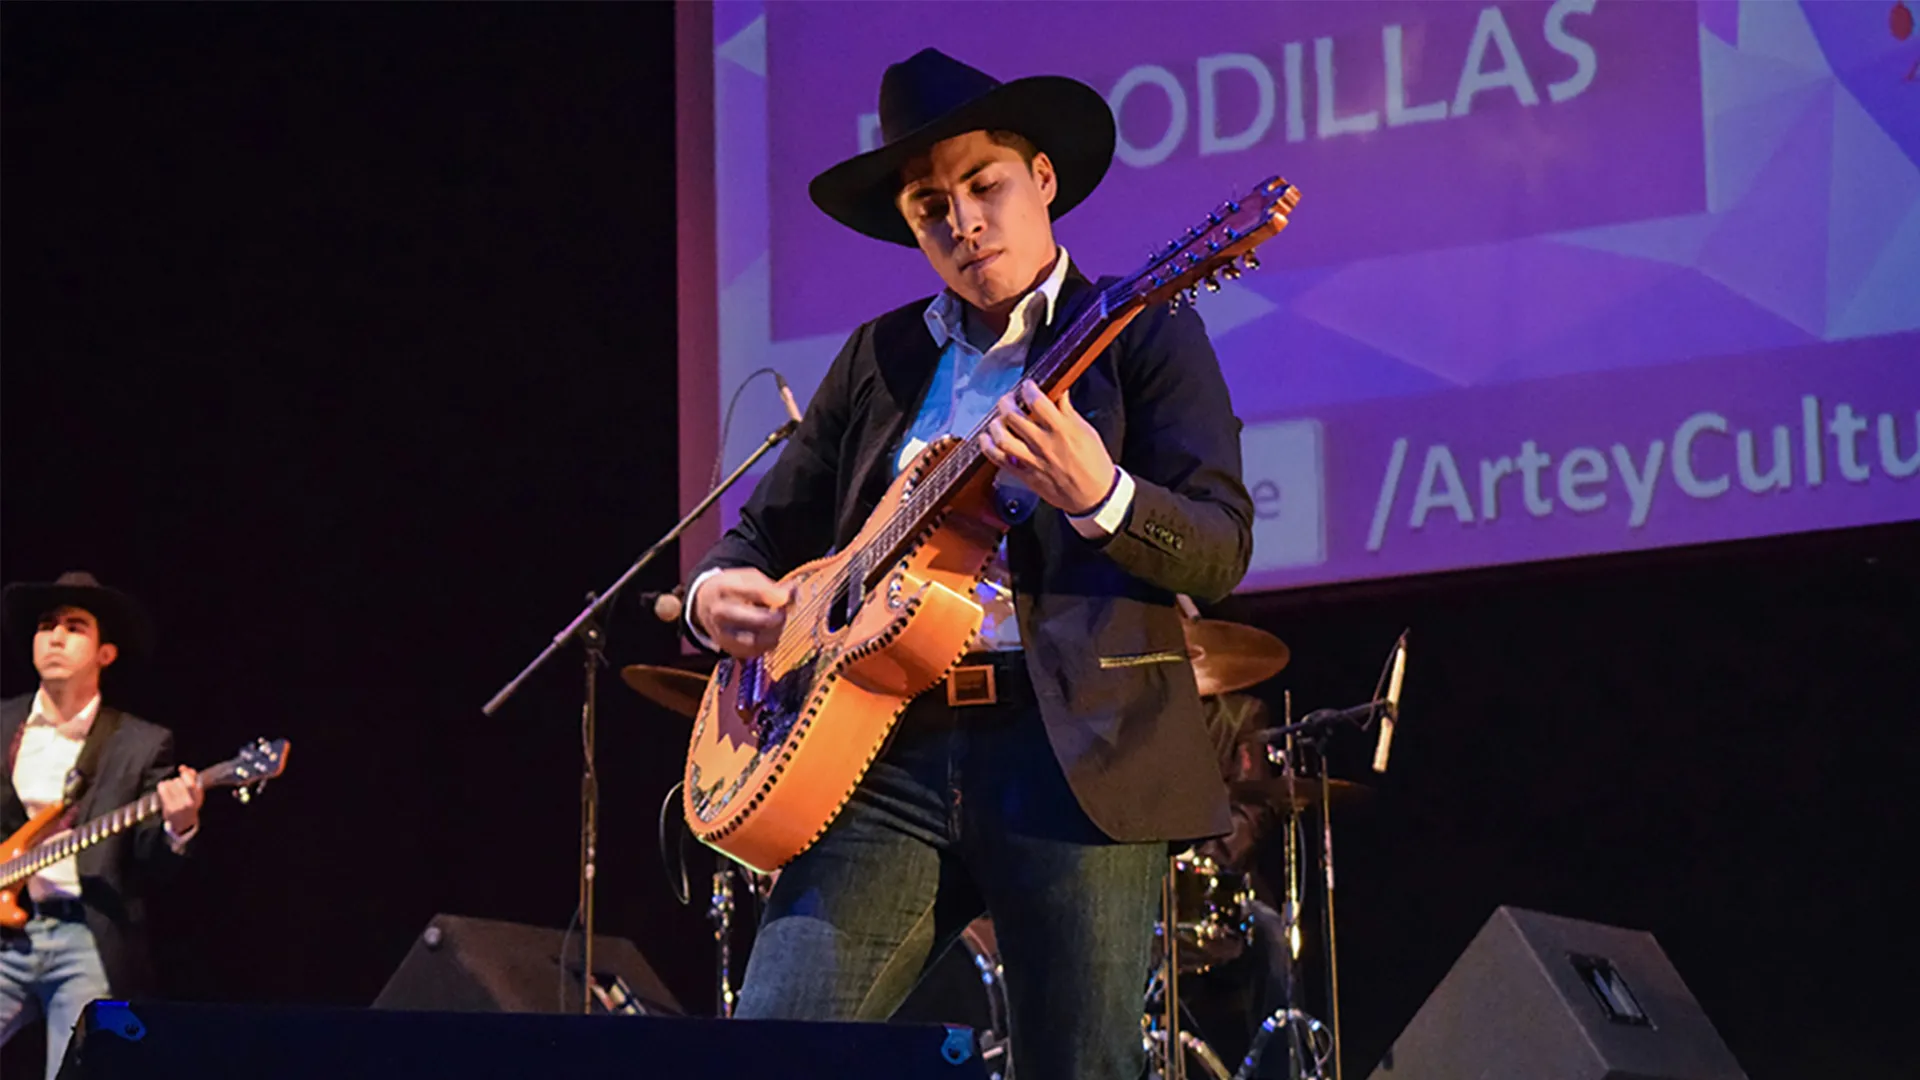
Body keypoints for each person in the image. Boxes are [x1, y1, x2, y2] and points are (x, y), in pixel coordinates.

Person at [684, 48, 1253, 1077]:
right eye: (929, 206)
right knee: (771, 1049)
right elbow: (762, 534)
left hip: (1072, 752)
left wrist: (1101, 496)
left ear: (1043, 179)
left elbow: (1219, 549)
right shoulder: (883, 355)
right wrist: (712, 591)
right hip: (878, 749)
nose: (963, 222)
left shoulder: (1143, 332)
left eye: (984, 186)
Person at [0, 572, 204, 1080]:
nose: (56, 636)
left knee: (78, 1072)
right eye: (46, 625)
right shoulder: (2, 725)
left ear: (105, 654)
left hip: (85, 935)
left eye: (75, 626)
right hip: (6, 937)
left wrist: (179, 827)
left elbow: (149, 860)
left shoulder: (140, 744)